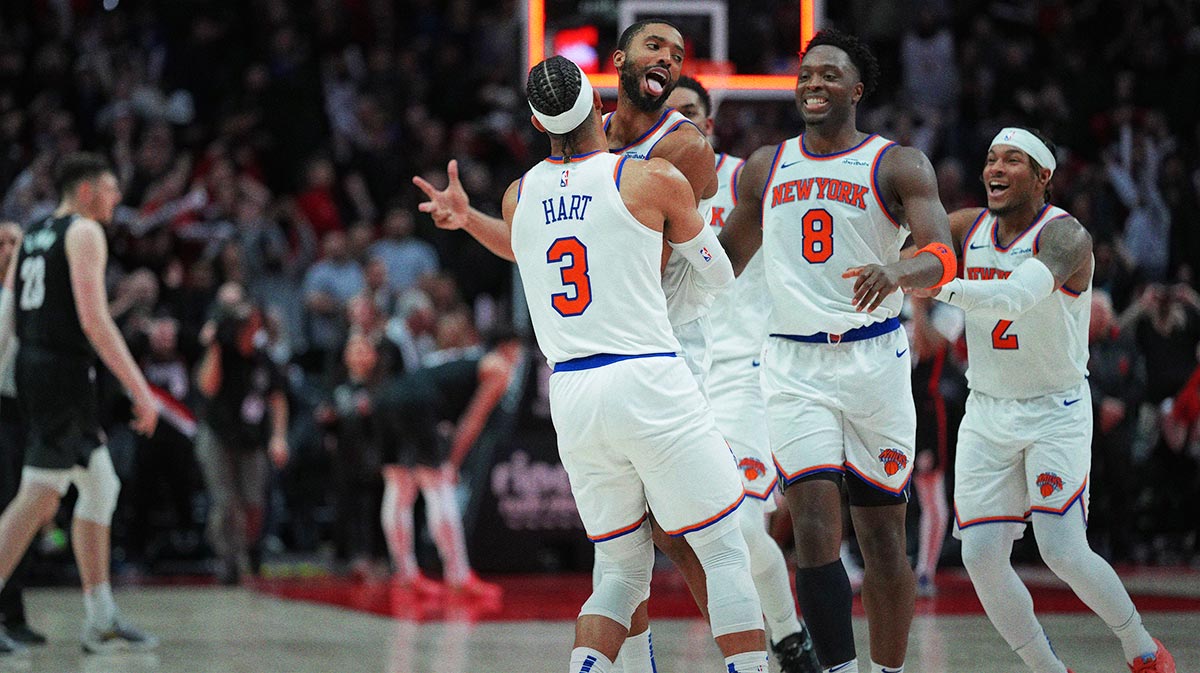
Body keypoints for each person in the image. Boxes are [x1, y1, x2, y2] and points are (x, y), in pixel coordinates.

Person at [415, 55, 769, 673]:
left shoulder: (519, 194)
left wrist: (468, 217)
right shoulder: (649, 179)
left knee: (620, 571)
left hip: (572, 393)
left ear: (535, 120)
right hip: (648, 375)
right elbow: (716, 276)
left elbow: (523, 246)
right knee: (721, 551)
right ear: (600, 107)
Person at [719, 29, 958, 673]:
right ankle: (837, 669)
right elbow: (720, 264)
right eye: (806, 74)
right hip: (794, 364)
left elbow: (942, 255)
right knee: (815, 537)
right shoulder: (766, 166)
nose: (814, 83)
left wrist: (899, 273)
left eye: (829, 74)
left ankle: (887, 669)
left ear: (856, 89)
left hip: (874, 358)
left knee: (883, 540)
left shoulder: (897, 163)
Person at [914, 127, 1175, 673]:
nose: (995, 169)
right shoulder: (966, 227)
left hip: (1053, 409)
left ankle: (1142, 649)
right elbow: (910, 242)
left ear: (1042, 177)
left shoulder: (1067, 238)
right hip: (987, 409)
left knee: (1061, 549)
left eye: (1012, 160)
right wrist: (899, 256)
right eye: (990, 159)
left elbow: (1012, 298)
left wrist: (932, 284)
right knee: (981, 556)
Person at [666, 75, 819, 673]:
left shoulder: (747, 181)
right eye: (667, 115)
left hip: (743, 372)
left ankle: (787, 638)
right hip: (673, 379)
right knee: (690, 540)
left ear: (709, 122)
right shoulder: (636, 188)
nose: (677, 124)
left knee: (743, 525)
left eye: (689, 114)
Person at [0, 152, 160, 653]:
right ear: (88, 191)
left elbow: (11, 313)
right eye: (112, 189)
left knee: (100, 486)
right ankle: (100, 621)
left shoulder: (32, 233)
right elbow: (94, 321)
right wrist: (140, 387)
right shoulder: (85, 231)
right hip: (63, 374)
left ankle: (101, 619)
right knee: (38, 497)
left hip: (38, 369)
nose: (117, 199)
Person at [375, 322, 517, 599]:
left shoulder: (465, 358)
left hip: (389, 395)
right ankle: (458, 575)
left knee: (399, 486)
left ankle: (405, 573)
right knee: (438, 485)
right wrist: (452, 462)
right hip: (418, 401)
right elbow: (473, 420)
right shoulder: (499, 367)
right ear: (508, 347)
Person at [194, 283, 290, 585]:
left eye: (253, 323)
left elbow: (277, 398)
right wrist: (215, 347)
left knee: (253, 502)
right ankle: (228, 561)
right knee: (225, 503)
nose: (250, 329)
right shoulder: (223, 352)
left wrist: (279, 437)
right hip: (218, 435)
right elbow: (207, 387)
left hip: (251, 439)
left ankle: (251, 548)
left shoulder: (263, 358)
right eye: (243, 324)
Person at [0, 221, 44, 652]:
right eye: (2, 243)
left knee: (18, 512)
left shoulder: (35, 298)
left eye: (15, 242)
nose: (9, 249)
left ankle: (13, 616)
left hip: (22, 413)